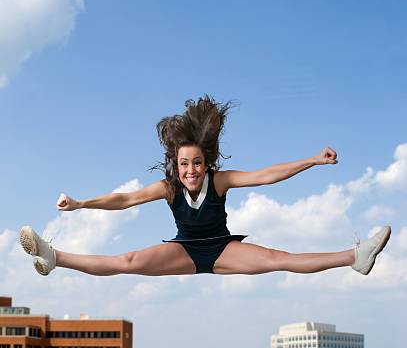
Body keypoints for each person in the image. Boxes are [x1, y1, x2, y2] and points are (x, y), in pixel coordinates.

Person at [20, 96, 391, 278]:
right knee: (127, 262)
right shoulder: (168, 187)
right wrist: (81, 203)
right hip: (184, 250)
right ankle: (55, 258)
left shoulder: (221, 180)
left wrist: (311, 160)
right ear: (176, 165)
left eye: (197, 162)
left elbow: (267, 174)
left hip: (223, 248)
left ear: (206, 161)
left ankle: (354, 258)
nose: (191, 170)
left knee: (281, 260)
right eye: (184, 164)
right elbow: (125, 199)